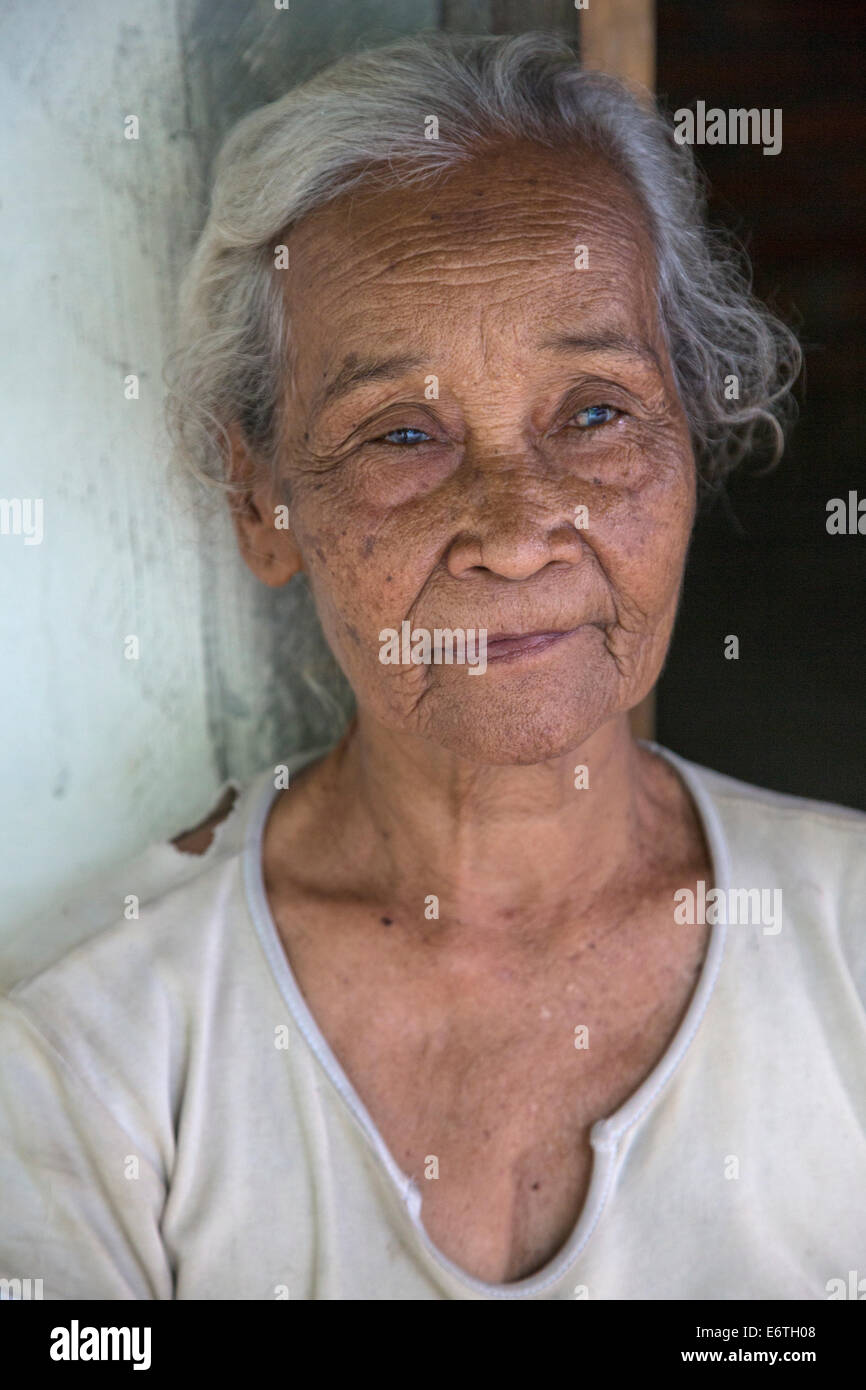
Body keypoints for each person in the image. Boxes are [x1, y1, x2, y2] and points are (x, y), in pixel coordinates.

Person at [1, 31, 863, 1301]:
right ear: (262, 504)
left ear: (688, 430)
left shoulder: (844, 943)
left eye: (594, 411)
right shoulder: (93, 1050)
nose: (516, 529)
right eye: (402, 433)